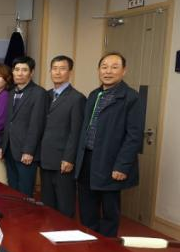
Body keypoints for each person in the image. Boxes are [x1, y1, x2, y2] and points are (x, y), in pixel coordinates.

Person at [74, 52, 144, 237]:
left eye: (114, 67)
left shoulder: (131, 97)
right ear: (98, 70)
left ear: (124, 71)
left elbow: (134, 136)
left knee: (109, 211)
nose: (108, 71)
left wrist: (122, 165)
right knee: (87, 208)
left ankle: (107, 248)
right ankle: (89, 242)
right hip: (87, 159)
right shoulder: (94, 95)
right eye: (104, 67)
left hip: (111, 161)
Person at [40, 56, 86, 218]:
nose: (57, 72)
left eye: (62, 68)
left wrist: (69, 158)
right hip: (45, 158)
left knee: (64, 205)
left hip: (63, 161)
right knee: (47, 204)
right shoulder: (45, 95)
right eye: (54, 68)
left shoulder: (77, 98)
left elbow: (76, 131)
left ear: (70, 72)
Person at [0, 56, 46, 197]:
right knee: (12, 190)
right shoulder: (11, 93)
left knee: (25, 192)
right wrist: (2, 145)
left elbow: (36, 124)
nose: (19, 73)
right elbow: (8, 122)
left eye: (24, 70)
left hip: (26, 152)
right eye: (17, 69)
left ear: (31, 72)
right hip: (9, 150)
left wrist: (29, 151)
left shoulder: (39, 93)